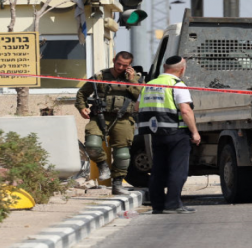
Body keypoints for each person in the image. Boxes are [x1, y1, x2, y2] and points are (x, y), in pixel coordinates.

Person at [137, 56, 201, 214]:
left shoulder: (149, 85)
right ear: (182, 69)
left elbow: (137, 106)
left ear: (164, 67)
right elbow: (185, 110)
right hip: (176, 132)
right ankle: (173, 204)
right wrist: (194, 132)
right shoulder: (177, 85)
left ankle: (157, 205)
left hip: (156, 133)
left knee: (158, 169)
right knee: (177, 169)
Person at [75, 51, 142, 195]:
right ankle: (102, 165)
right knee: (92, 144)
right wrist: (82, 108)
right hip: (100, 116)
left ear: (130, 65)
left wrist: (132, 81)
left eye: (125, 65)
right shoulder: (100, 76)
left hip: (123, 118)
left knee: (122, 154)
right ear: (113, 60)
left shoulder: (135, 78)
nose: (120, 67)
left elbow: (140, 97)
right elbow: (82, 93)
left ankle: (117, 184)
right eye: (118, 64)